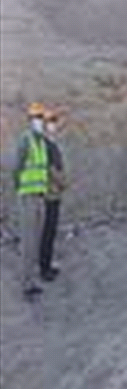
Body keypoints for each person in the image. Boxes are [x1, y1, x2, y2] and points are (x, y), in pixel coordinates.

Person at [13, 102, 49, 300]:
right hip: (27, 197)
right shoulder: (25, 141)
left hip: (40, 196)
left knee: (35, 241)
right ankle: (26, 285)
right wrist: (21, 189)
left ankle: (32, 281)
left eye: (40, 118)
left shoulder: (41, 142)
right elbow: (16, 169)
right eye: (36, 118)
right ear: (29, 120)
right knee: (27, 243)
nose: (39, 121)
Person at [39, 108, 67, 281]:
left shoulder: (51, 144)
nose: (53, 125)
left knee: (51, 231)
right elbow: (51, 170)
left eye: (54, 122)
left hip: (54, 193)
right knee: (48, 231)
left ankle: (47, 265)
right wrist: (62, 183)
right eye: (50, 122)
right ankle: (44, 268)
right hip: (50, 193)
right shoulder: (46, 145)